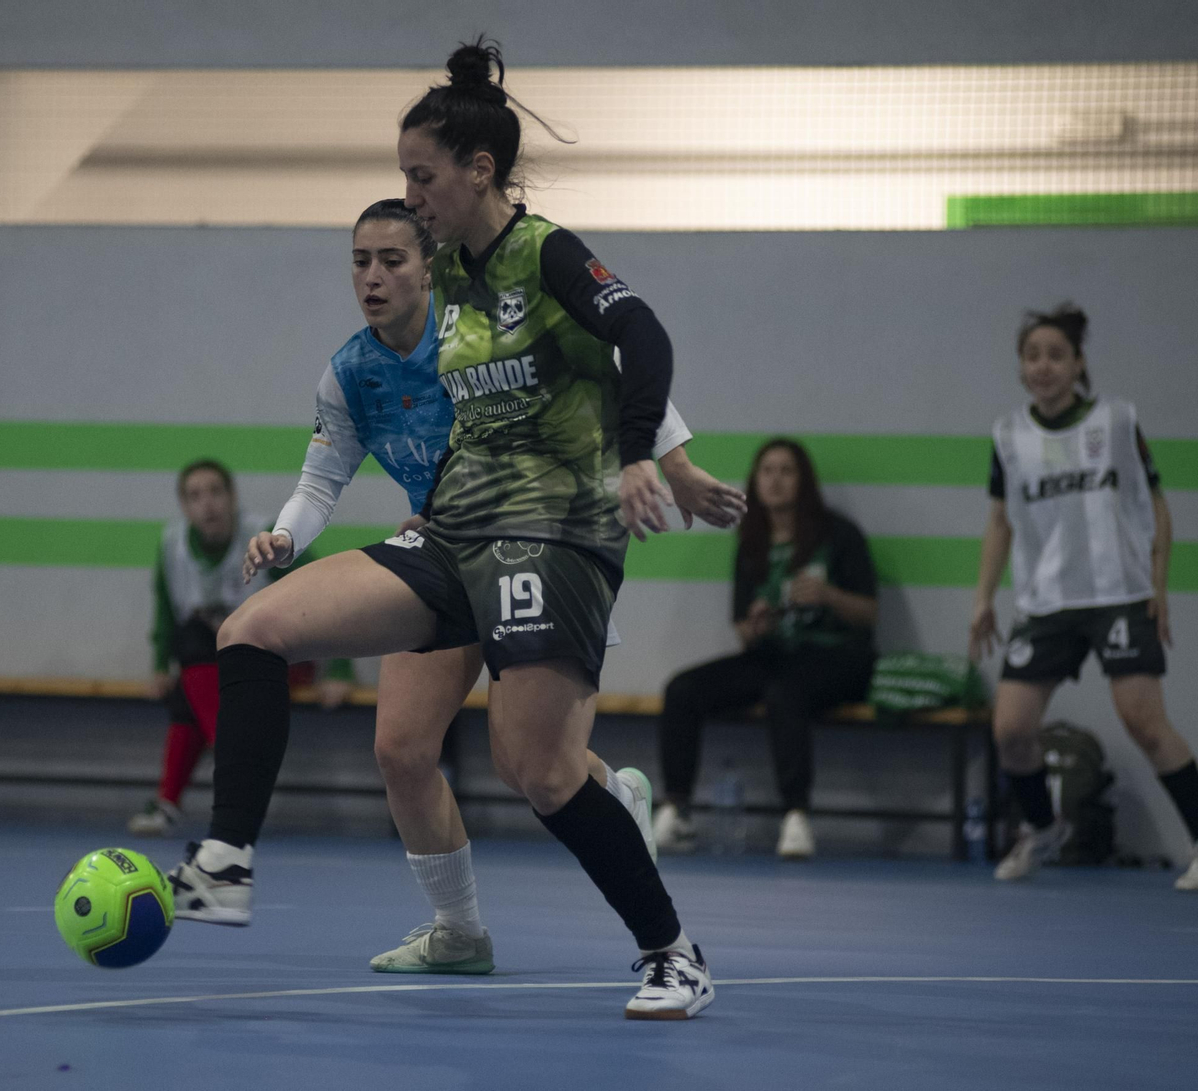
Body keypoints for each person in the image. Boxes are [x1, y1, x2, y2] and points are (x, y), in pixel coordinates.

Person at [168, 39, 723, 1018]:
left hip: (551, 533)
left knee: (538, 769)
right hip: (453, 527)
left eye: (420, 178)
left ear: (476, 171)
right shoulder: (445, 279)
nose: (409, 196)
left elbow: (636, 336)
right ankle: (224, 860)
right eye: (402, 180)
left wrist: (651, 454)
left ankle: (672, 951)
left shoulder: (541, 252)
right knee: (250, 629)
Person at [244, 197, 743, 974]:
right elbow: (322, 475)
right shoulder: (352, 372)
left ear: (427, 268)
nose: (373, 277)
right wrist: (285, 533)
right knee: (402, 748)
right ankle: (459, 931)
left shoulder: (484, 313)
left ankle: (624, 823)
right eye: (359, 261)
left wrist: (670, 460)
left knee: (529, 766)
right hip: (444, 550)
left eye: (392, 260)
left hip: (538, 541)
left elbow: (608, 356)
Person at [968, 303, 1198, 891]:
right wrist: (983, 598)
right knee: (1011, 730)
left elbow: (1157, 508)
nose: (1044, 366)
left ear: (1078, 362)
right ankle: (1043, 826)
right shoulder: (1008, 436)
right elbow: (999, 523)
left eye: (1056, 355)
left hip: (1118, 594)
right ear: (1021, 367)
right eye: (1032, 356)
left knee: (1142, 720)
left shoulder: (1116, 422)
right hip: (1044, 603)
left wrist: (1159, 587)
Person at [652, 439, 878, 858]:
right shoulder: (751, 541)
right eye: (766, 471)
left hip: (838, 656)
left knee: (784, 693)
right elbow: (742, 629)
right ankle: (676, 808)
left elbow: (870, 613)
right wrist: (756, 624)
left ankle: (796, 816)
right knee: (682, 690)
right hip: (774, 653)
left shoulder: (839, 534)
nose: (775, 480)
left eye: (786, 470)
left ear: (804, 481)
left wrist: (829, 596)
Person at [128, 459, 352, 836]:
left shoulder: (264, 537)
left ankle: (209, 772)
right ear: (184, 507)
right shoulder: (172, 547)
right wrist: (158, 665)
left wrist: (341, 669)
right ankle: (212, 769)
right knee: (193, 651)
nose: (208, 503)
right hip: (217, 673)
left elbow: (326, 594)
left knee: (198, 653)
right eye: (195, 496)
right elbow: (166, 610)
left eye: (216, 492)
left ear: (232, 498)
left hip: (283, 659)